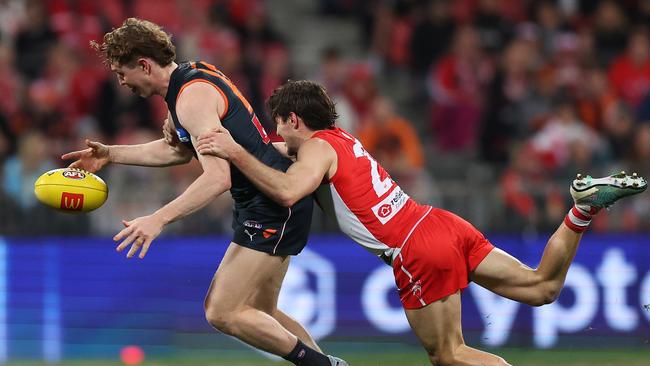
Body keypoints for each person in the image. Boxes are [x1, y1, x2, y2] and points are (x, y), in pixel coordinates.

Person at [195, 80, 648, 366]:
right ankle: (582, 209)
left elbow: (290, 190)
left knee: (449, 356)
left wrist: (233, 151)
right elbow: (277, 151)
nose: (279, 134)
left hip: (415, 249)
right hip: (439, 222)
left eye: (281, 124)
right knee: (541, 288)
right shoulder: (342, 139)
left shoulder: (314, 150)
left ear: (295, 119)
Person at [61, 19, 347, 366]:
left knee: (220, 311)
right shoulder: (190, 77)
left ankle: (324, 365)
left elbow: (217, 179)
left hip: (270, 203)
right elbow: (180, 151)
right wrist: (111, 154)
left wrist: (158, 218)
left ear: (144, 65)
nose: (121, 82)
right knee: (261, 310)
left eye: (123, 73)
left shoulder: (190, 99)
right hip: (262, 199)